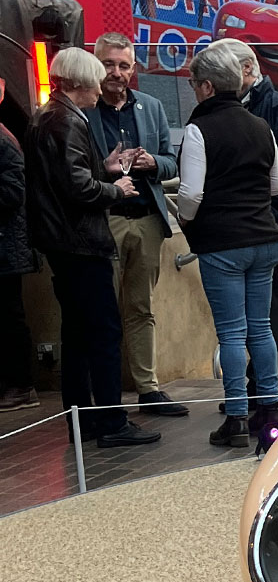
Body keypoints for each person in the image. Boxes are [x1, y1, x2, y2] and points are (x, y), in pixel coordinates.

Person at [23, 47, 160, 448]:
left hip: (64, 242)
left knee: (79, 335)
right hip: (81, 243)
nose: (101, 90)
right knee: (101, 332)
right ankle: (112, 422)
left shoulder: (51, 117)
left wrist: (104, 168)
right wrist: (114, 187)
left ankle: (83, 420)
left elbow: (68, 176)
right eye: (96, 82)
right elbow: (76, 187)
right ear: (79, 84)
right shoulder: (65, 121)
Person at [177, 43, 278, 448]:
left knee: (232, 334)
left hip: (222, 243)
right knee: (262, 328)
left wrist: (186, 219)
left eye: (192, 82)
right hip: (265, 238)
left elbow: (191, 194)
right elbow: (275, 186)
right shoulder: (261, 126)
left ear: (205, 86)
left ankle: (236, 415)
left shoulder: (197, 130)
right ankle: (271, 409)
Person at [87, 32, 188, 418]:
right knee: (105, 312)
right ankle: (107, 396)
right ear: (97, 66)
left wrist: (152, 164)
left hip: (146, 220)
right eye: (109, 64)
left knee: (141, 309)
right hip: (105, 221)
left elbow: (171, 163)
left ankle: (149, 389)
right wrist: (107, 170)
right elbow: (77, 171)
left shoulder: (151, 106)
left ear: (134, 68)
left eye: (123, 65)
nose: (116, 72)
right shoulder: (86, 110)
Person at [220, 39, 278, 408]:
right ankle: (263, 387)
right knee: (254, 313)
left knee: (275, 309)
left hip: (267, 226)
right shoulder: (243, 105)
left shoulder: (275, 106)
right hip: (249, 227)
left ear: (245, 69)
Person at [0, 76, 38, 411]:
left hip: (5, 247)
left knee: (9, 317)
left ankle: (21, 385)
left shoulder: (4, 140)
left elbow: (13, 193)